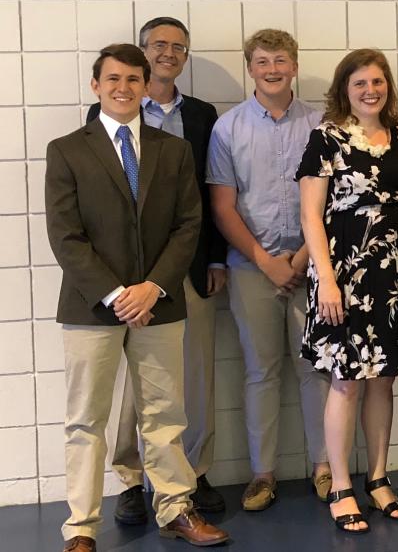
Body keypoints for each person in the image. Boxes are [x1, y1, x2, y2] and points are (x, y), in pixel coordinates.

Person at [47, 44, 229, 550]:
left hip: (160, 302)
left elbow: (188, 224)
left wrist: (153, 287)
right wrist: (114, 293)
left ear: (147, 86)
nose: (123, 88)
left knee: (166, 414)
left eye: (133, 79)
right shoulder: (67, 149)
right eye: (113, 79)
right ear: (96, 86)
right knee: (86, 419)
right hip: (91, 306)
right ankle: (81, 527)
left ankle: (175, 508)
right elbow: (66, 236)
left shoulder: (172, 150)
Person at [207, 29, 330, 511]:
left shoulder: (321, 124)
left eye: (281, 60)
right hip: (250, 268)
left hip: (311, 267)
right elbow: (223, 207)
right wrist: (265, 262)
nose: (272, 69)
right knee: (260, 373)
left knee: (314, 370)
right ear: (250, 68)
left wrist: (298, 261)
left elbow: (332, 201)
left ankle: (325, 466)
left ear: (295, 66)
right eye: (262, 61)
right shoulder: (228, 128)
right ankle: (262, 474)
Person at [297, 50, 398, 534]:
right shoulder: (326, 138)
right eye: (359, 83)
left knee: (383, 379)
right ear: (344, 90)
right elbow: (310, 216)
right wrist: (325, 279)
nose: (371, 90)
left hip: (392, 276)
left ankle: (377, 477)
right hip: (342, 277)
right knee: (346, 380)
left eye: (377, 81)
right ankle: (342, 484)